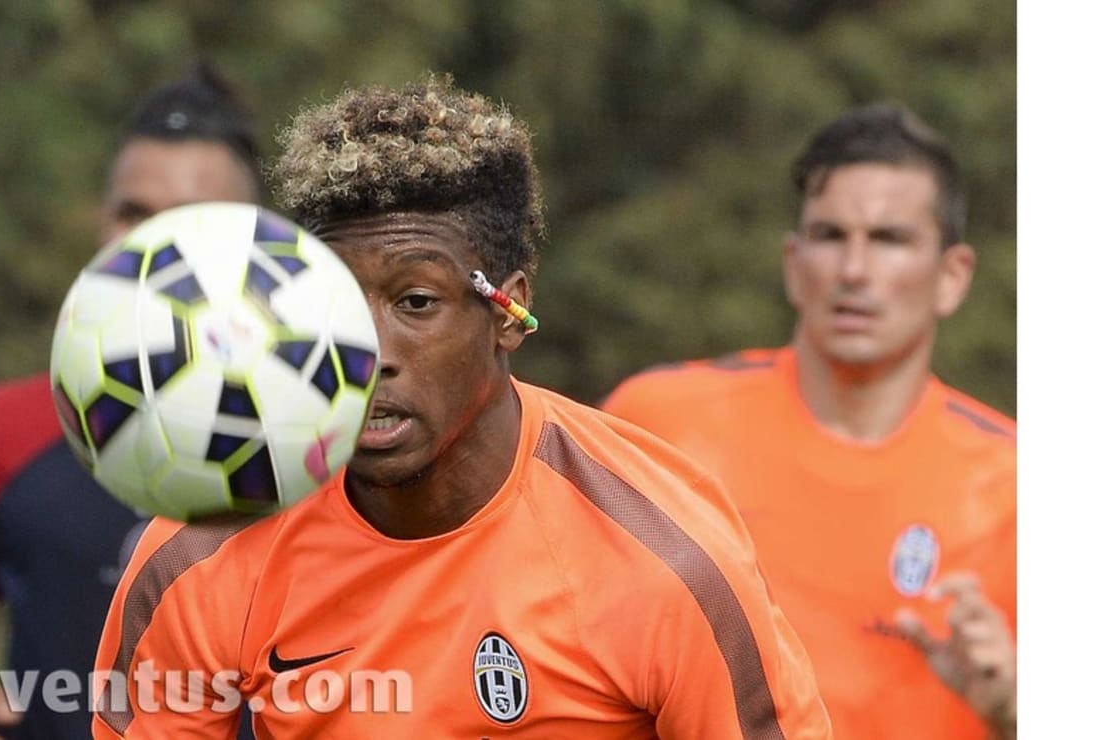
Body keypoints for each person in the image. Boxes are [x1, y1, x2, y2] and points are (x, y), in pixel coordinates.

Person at [90, 75, 832, 739]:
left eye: (416, 302)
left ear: (508, 310)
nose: (365, 354)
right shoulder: (206, 542)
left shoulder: (666, 556)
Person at [603, 103, 1016, 740]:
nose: (854, 271)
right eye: (830, 236)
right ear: (794, 265)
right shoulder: (658, 425)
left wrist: (1016, 710)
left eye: (889, 239)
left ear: (952, 276)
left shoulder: (1019, 488)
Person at [0, 63, 265, 740]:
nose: (149, 244)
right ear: (101, 223)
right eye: (133, 214)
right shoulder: (4, 428)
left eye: (190, 220)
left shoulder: (329, 442)